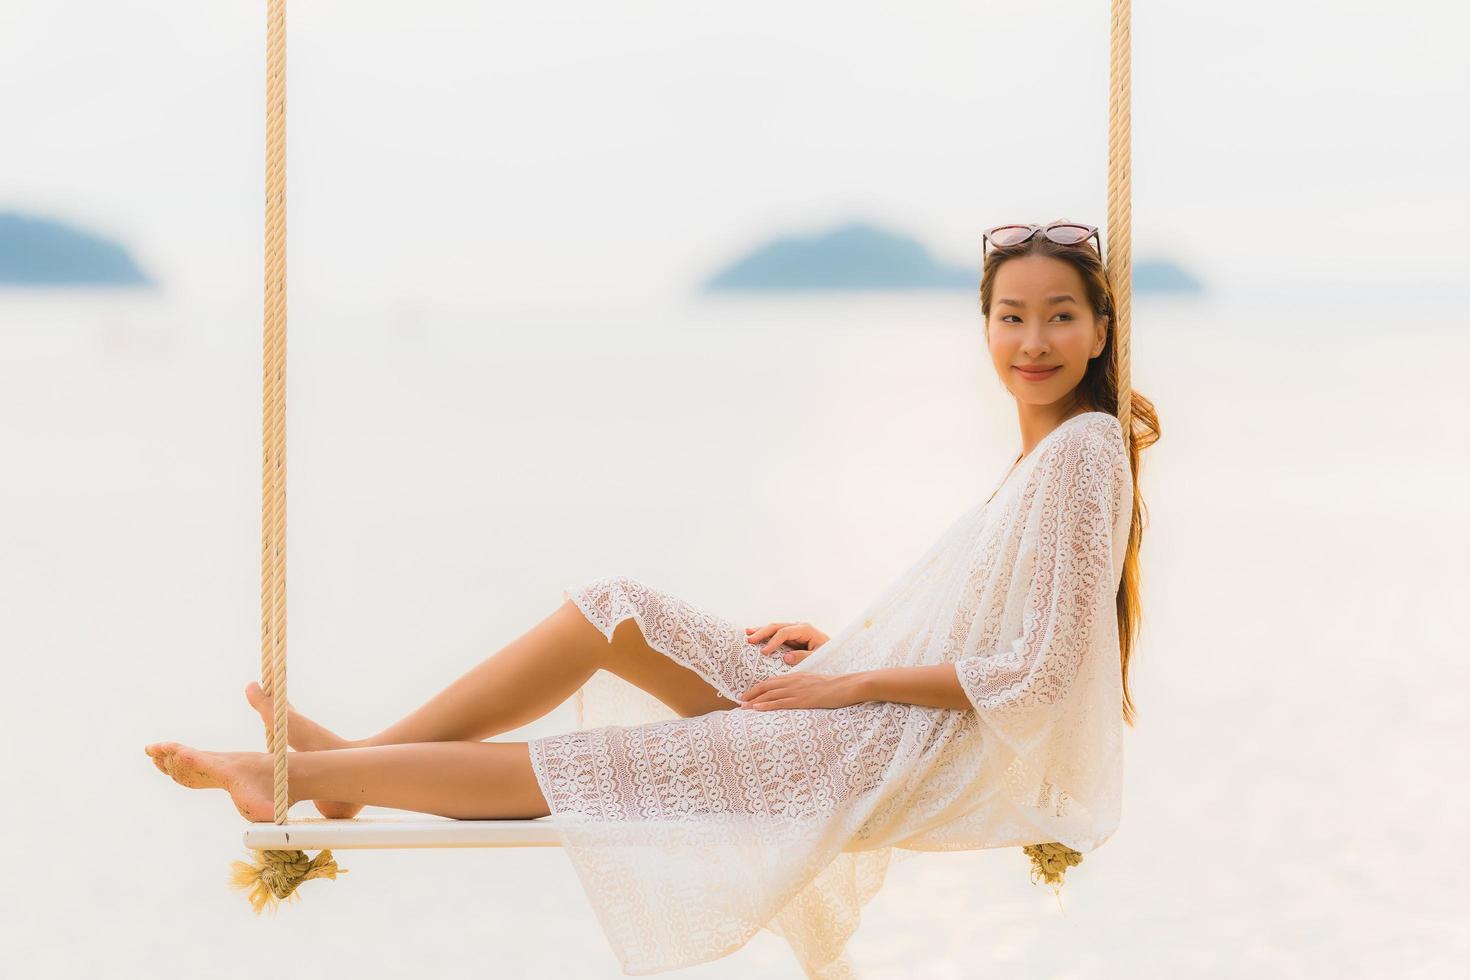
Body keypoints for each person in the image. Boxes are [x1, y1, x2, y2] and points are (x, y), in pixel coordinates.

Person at [146, 218, 1157, 978]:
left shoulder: (1084, 449)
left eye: (1061, 314)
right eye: (1012, 314)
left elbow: (1040, 671)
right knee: (616, 607)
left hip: (895, 745)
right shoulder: (1051, 453)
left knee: (587, 770)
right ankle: (345, 777)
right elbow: (983, 621)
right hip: (873, 703)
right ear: (984, 324)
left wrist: (844, 687)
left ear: (1101, 327)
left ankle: (304, 776)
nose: (1034, 338)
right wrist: (839, 646)